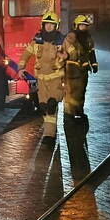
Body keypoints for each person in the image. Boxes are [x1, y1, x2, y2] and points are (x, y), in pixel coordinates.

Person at [18, 11, 67, 143]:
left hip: (56, 78)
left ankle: (49, 135)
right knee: (44, 106)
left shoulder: (62, 41)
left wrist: (66, 57)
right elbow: (26, 54)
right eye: (47, 24)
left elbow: (72, 55)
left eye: (52, 25)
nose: (49, 27)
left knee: (52, 104)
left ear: (56, 26)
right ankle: (49, 132)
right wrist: (21, 67)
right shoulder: (37, 41)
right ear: (43, 25)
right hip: (41, 79)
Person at [62, 14, 98, 122]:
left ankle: (79, 111)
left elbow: (92, 53)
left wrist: (94, 64)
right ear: (76, 26)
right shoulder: (70, 37)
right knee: (71, 92)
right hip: (72, 71)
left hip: (83, 71)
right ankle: (70, 113)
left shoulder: (89, 38)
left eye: (85, 26)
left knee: (81, 92)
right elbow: (69, 52)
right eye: (81, 25)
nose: (83, 27)